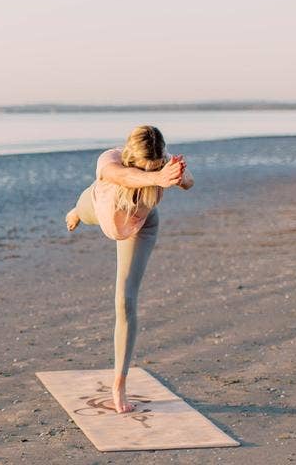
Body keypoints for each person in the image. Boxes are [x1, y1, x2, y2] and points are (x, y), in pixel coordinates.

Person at [64, 125, 194, 413]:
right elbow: (122, 176)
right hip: (100, 208)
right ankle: (74, 213)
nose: (155, 172)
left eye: (157, 166)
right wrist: (156, 176)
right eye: (148, 168)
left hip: (140, 226)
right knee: (79, 210)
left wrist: (179, 177)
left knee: (125, 301)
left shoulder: (164, 163)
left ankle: (119, 383)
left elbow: (190, 182)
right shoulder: (110, 161)